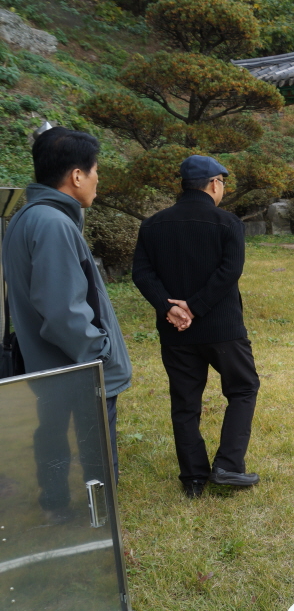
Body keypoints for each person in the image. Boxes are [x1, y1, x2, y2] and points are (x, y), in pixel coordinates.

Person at [2, 126, 132, 517]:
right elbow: (63, 312)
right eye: (95, 171)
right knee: (95, 446)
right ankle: (99, 520)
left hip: (47, 364)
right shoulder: (54, 224)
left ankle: (55, 505)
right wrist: (99, 352)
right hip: (77, 367)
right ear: (77, 175)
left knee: (52, 433)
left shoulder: (26, 217)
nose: (98, 179)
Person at [132, 155, 261, 499]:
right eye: (222, 182)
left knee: (185, 402)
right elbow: (229, 271)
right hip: (223, 330)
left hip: (176, 332)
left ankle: (193, 478)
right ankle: (229, 465)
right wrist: (198, 307)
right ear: (214, 183)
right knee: (243, 388)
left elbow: (142, 274)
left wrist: (171, 308)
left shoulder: (153, 225)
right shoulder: (227, 222)